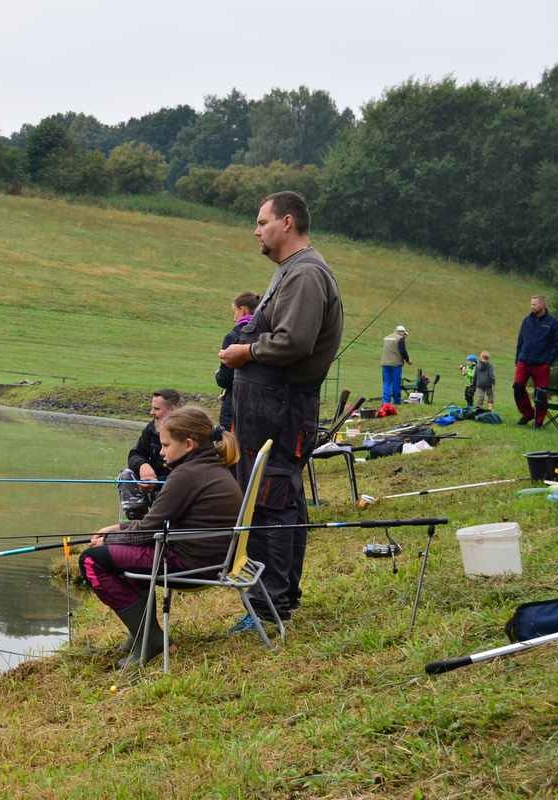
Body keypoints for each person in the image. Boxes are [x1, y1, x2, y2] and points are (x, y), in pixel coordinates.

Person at [219, 191, 344, 629]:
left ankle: (270, 606)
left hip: (281, 407)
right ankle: (274, 599)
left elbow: (295, 341)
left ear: (287, 222)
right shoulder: (290, 270)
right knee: (272, 496)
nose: (256, 231)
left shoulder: (306, 273)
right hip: (266, 407)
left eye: (262, 222)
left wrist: (246, 352)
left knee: (272, 499)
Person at [82, 407, 243, 667]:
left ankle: (151, 639)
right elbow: (155, 524)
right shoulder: (209, 466)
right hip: (212, 561)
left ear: (188, 444)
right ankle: (142, 633)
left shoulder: (187, 474)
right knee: (120, 555)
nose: (160, 452)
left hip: (192, 566)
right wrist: (118, 529)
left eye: (166, 445)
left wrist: (110, 540)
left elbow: (148, 530)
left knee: (92, 561)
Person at [117, 389, 181, 520]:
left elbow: (186, 475)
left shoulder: (186, 434)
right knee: (125, 475)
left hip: (175, 489)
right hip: (151, 484)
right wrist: (143, 466)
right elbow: (135, 454)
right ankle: (137, 520)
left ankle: (157, 522)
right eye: (152, 408)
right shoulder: (151, 428)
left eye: (157, 409)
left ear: (173, 410)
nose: (152, 413)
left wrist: (156, 483)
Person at [514, 295, 558, 428]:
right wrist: (517, 359)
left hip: (542, 364)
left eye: (534, 304)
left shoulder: (553, 323)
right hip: (524, 361)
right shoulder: (527, 321)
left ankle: (538, 420)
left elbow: (557, 344)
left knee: (541, 393)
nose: (532, 307)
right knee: (518, 387)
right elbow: (520, 340)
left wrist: (548, 362)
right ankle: (527, 413)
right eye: (531, 304)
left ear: (542, 305)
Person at [215, 292, 260, 432]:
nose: (234, 318)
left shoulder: (234, 336)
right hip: (262, 402)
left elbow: (225, 379)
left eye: (235, 311)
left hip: (236, 404)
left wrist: (218, 375)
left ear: (243, 310)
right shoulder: (267, 334)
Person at [380, 325, 411, 406]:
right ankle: (397, 400)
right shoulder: (400, 338)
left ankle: (386, 401)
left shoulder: (386, 338)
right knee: (396, 382)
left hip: (385, 363)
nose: (404, 336)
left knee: (386, 382)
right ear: (401, 332)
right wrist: (408, 360)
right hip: (396, 364)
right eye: (404, 334)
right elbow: (403, 351)